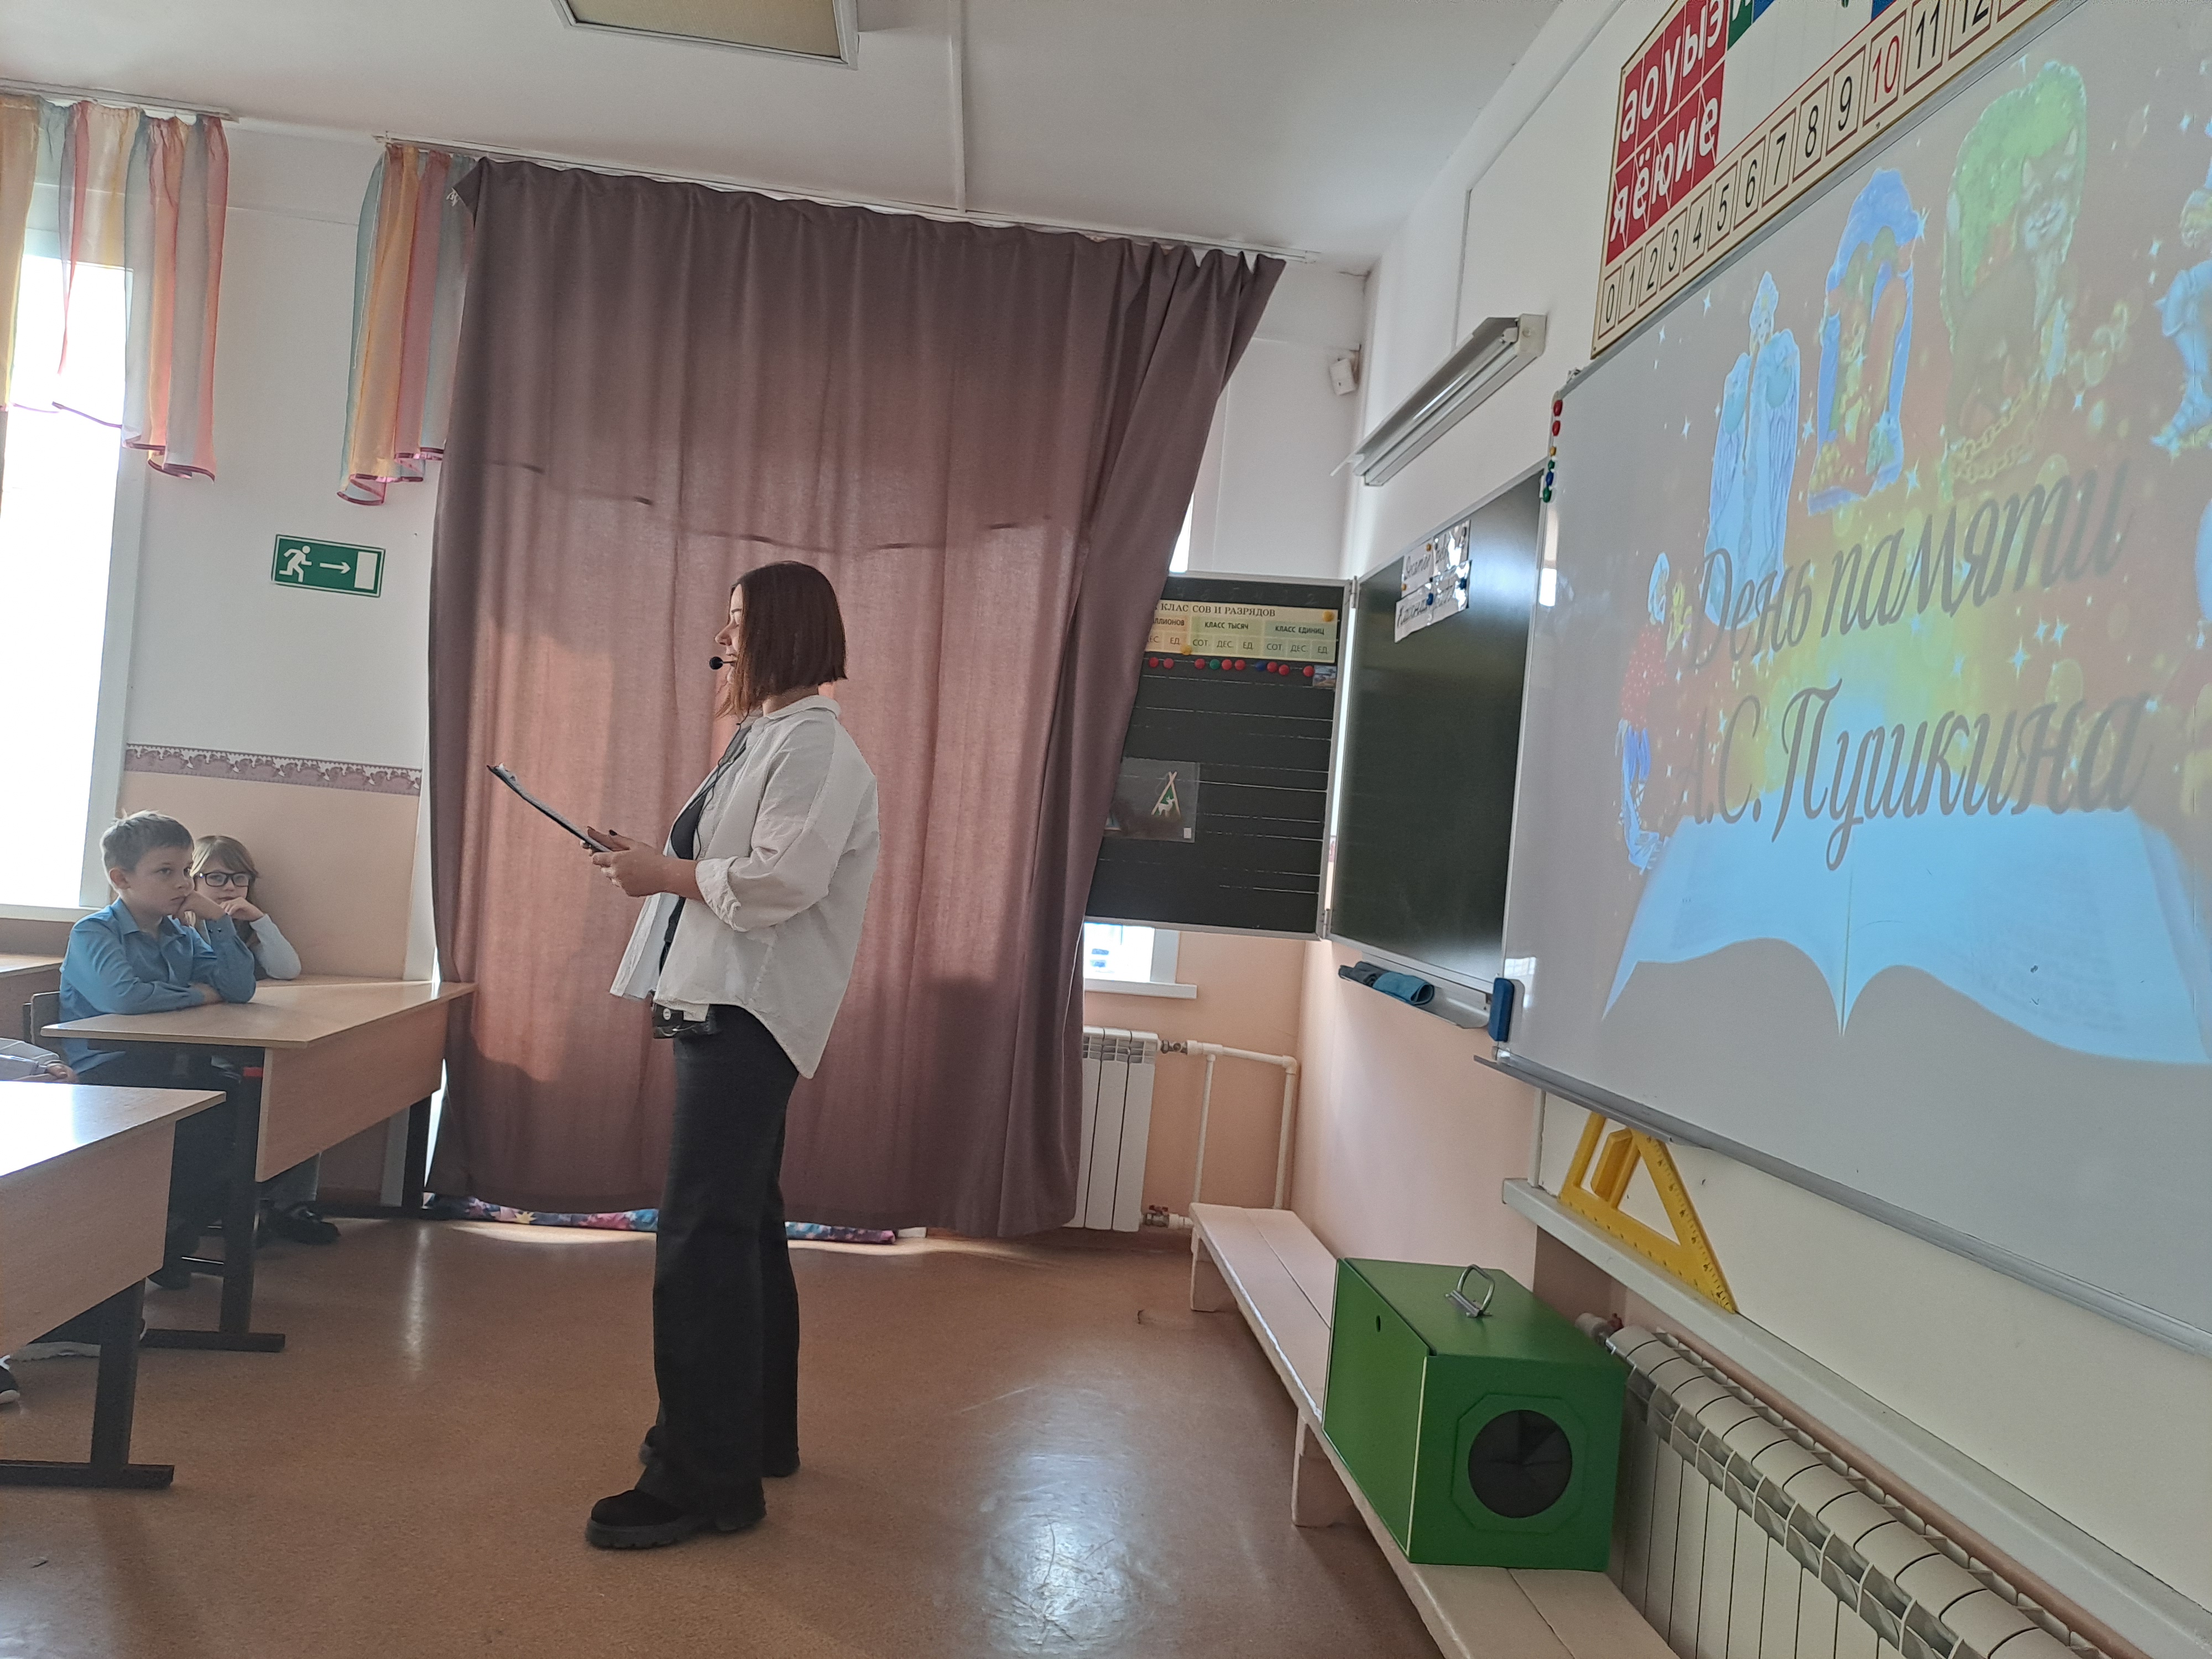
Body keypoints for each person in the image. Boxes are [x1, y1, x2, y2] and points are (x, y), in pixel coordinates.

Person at [581, 561, 879, 1550]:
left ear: (785, 631)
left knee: (701, 1240)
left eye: (740, 619)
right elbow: (734, 866)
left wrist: (662, 873)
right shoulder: (768, 736)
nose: (724, 636)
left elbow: (778, 882)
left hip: (748, 1012)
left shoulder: (814, 747)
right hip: (728, 1004)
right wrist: (655, 862)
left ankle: (701, 1483)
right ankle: (751, 1440)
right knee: (741, 1229)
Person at [59, 811, 258, 1286]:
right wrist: (197, 995)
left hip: (170, 1066)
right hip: (109, 1074)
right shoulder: (94, 932)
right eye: (165, 871)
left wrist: (218, 922)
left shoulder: (180, 933)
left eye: (186, 870)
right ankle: (154, 1238)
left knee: (258, 1118)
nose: (183, 883)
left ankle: (168, 1233)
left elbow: (238, 988)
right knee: (210, 1129)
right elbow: (124, 998)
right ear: (121, 879)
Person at [185, 834, 337, 1246]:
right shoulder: (186, 929)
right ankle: (243, 1206)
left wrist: (260, 920)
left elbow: (287, 969)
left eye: (240, 877)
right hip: (207, 1052)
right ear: (192, 880)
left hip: (249, 1038)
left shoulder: (246, 929)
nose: (229, 887)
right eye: (216, 877)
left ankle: (289, 1205)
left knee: (304, 1089)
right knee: (264, 1099)